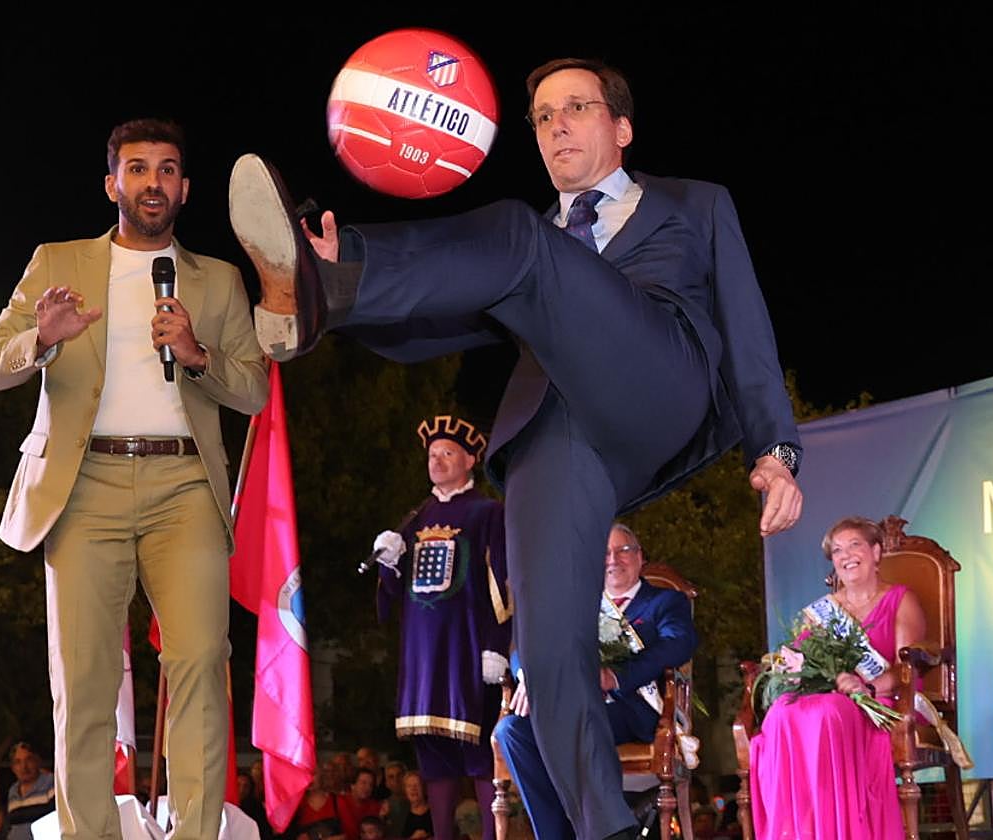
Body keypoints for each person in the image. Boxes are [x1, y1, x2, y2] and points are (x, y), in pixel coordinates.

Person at [227, 56, 802, 839]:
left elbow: (749, 328)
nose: (557, 126)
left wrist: (776, 450)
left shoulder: (693, 206)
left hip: (658, 378)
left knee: (518, 238)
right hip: (557, 430)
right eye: (542, 117)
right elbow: (436, 318)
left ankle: (326, 283)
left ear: (622, 127)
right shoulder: (522, 254)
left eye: (576, 108)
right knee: (550, 651)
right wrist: (346, 306)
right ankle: (606, 828)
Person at [0, 118, 268, 839]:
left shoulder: (220, 279)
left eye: (167, 169)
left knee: (202, 660)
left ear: (185, 188)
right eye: (137, 169)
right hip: (83, 487)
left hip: (185, 486)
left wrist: (197, 355)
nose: (152, 182)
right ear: (112, 184)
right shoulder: (58, 262)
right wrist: (42, 338)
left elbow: (254, 389)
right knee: (83, 679)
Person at [494, 524, 696, 840]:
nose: (613, 560)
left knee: (583, 719)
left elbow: (679, 643)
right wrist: (529, 677)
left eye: (623, 550)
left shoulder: (664, 602)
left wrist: (616, 676)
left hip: (631, 707)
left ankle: (604, 830)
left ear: (639, 557)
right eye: (604, 553)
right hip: (570, 708)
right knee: (511, 731)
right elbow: (527, 644)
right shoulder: (576, 605)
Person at [373, 415, 509, 840]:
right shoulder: (415, 518)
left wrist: (498, 643)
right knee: (434, 760)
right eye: (433, 454)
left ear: (470, 460)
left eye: (448, 453)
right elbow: (394, 597)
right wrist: (390, 563)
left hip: (469, 651)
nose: (437, 460)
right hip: (424, 658)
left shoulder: (489, 513)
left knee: (481, 754)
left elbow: (504, 581)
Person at [750, 516, 925, 838]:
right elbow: (802, 659)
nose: (846, 555)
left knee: (827, 712)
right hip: (833, 698)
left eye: (855, 545)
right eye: (838, 550)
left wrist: (866, 687)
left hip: (883, 699)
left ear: (876, 552)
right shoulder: (822, 611)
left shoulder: (900, 600)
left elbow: (906, 670)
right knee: (781, 713)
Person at [5, 743, 54, 840]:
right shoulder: (13, 791)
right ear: (13, 768)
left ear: (37, 761)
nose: (24, 767)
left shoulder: (50, 783)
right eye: (18, 762)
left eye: (28, 760)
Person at [400, 772, 434, 840]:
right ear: (405, 790)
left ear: (424, 788)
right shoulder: (401, 814)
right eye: (409, 786)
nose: (413, 788)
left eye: (417, 785)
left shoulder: (435, 811)